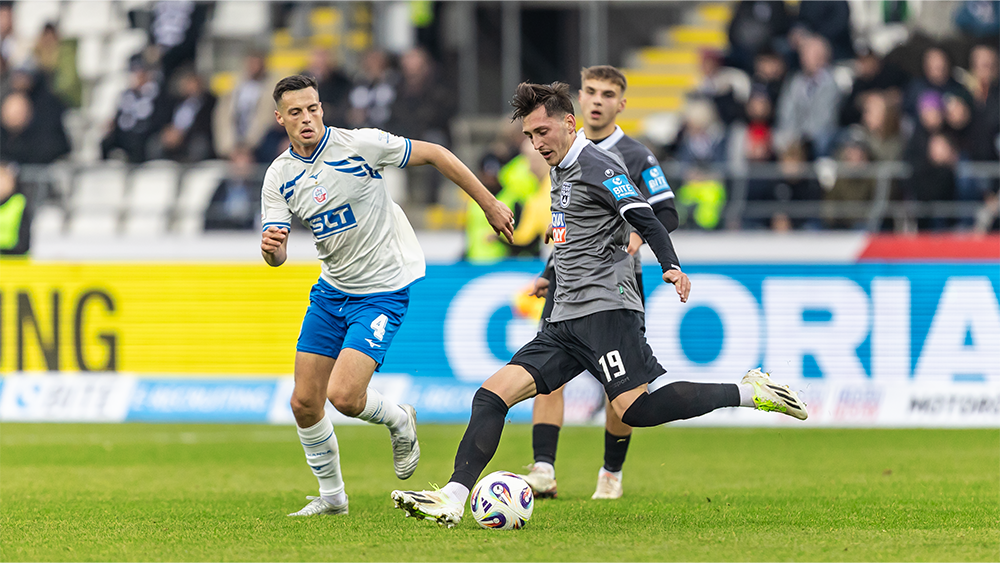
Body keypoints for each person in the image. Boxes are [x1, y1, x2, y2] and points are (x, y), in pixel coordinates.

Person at [390, 82, 807, 528]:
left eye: (543, 131)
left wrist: (671, 266)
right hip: (565, 319)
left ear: (569, 124)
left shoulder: (599, 165)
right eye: (530, 135)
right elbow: (572, 235)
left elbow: (646, 216)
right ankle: (452, 497)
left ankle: (751, 393)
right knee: (491, 395)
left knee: (636, 410)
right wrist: (549, 274)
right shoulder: (559, 170)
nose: (537, 143)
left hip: (607, 312)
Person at [260, 74, 514, 517]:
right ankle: (333, 498)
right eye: (296, 112)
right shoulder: (279, 175)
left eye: (313, 108)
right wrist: (272, 249)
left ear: (322, 108)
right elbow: (276, 256)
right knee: (303, 402)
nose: (307, 118)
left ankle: (400, 418)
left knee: (345, 396)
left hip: (381, 291)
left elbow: (436, 154)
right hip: (331, 291)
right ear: (280, 118)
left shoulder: (360, 145)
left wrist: (488, 203)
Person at [517, 65, 680, 502]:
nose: (596, 100)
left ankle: (611, 471)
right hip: (567, 282)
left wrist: (638, 235)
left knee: (620, 386)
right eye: (590, 91)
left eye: (607, 94)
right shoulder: (559, 148)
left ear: (620, 104)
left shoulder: (635, 154)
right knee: (547, 373)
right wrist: (548, 273)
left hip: (616, 281)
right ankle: (544, 468)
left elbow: (666, 213)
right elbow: (567, 223)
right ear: (579, 100)